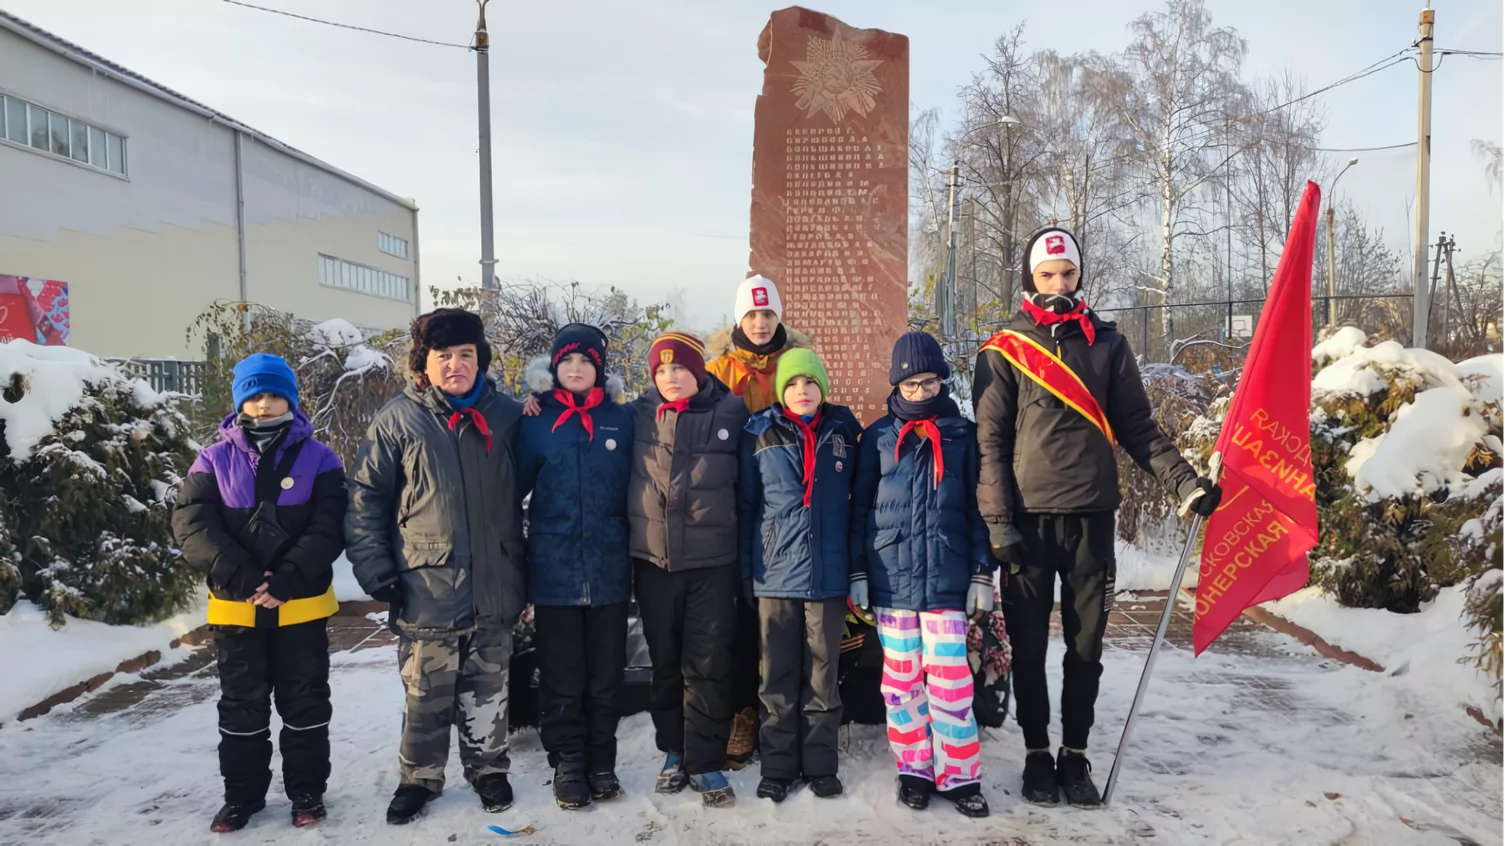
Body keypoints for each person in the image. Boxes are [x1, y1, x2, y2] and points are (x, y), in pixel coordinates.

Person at [973, 227, 1222, 808]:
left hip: (1092, 519)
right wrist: (998, 522)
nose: (1058, 284)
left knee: (1086, 648)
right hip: (1029, 524)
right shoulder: (1003, 349)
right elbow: (990, 445)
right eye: (1046, 275)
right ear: (1030, 280)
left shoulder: (1108, 344)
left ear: (1078, 276)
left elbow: (1138, 426)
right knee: (1030, 649)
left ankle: (1075, 755)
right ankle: (1037, 754)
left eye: (1067, 273)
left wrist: (1186, 483)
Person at [345, 308, 527, 825]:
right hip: (427, 583)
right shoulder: (400, 419)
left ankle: (489, 769)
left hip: (495, 580)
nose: (456, 365)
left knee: (489, 685)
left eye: (465, 355)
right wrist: (374, 566)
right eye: (444, 356)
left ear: (480, 360)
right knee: (426, 692)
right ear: (425, 363)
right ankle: (419, 777)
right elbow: (365, 498)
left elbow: (542, 485)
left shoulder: (510, 417)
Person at [172, 353, 345, 833]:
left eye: (272, 395)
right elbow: (192, 526)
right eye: (253, 395)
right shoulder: (213, 458)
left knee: (305, 702)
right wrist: (245, 577)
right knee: (241, 706)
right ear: (239, 401)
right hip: (237, 609)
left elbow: (329, 525)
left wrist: (287, 578)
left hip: (301, 606)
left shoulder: (319, 458)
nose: (264, 405)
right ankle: (242, 797)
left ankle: (307, 792)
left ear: (288, 398)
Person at [849, 331, 996, 819]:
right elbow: (860, 512)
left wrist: (981, 572)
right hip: (891, 581)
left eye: (930, 382)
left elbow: (979, 510)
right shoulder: (876, 438)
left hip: (946, 581)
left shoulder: (962, 436)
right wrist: (858, 572)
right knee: (902, 682)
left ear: (942, 381)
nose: (921, 392)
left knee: (951, 683)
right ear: (896, 385)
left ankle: (959, 774)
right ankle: (913, 769)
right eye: (911, 384)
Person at [515, 324, 634, 810]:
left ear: (599, 368)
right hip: (554, 570)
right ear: (555, 367)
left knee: (606, 676)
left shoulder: (622, 420)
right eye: (567, 361)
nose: (577, 368)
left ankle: (601, 762)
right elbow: (512, 491)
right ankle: (567, 762)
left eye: (586, 361)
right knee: (562, 676)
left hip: (608, 568)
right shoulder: (534, 420)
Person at [628, 331, 749, 807]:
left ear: (699, 371)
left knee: (708, 665)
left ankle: (706, 760)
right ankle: (673, 753)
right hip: (656, 563)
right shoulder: (637, 414)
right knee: (665, 666)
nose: (670, 377)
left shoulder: (733, 413)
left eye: (679, 368)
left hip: (713, 564)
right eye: (661, 369)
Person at [737, 348, 862, 803]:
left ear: (822, 387)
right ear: (781, 390)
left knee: (823, 674)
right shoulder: (759, 432)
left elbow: (858, 503)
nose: (802, 391)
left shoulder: (845, 431)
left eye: (809, 383)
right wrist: (746, 573)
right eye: (792, 384)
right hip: (775, 574)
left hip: (828, 574)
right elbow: (748, 507)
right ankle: (778, 765)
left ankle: (820, 764)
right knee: (777, 676)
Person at [705, 274, 809, 766]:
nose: (761, 323)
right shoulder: (718, 371)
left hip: (783, 512)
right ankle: (743, 712)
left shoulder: (796, 366)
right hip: (728, 507)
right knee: (741, 621)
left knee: (781, 623)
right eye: (752, 314)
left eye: (768, 314)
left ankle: (789, 718)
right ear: (739, 318)